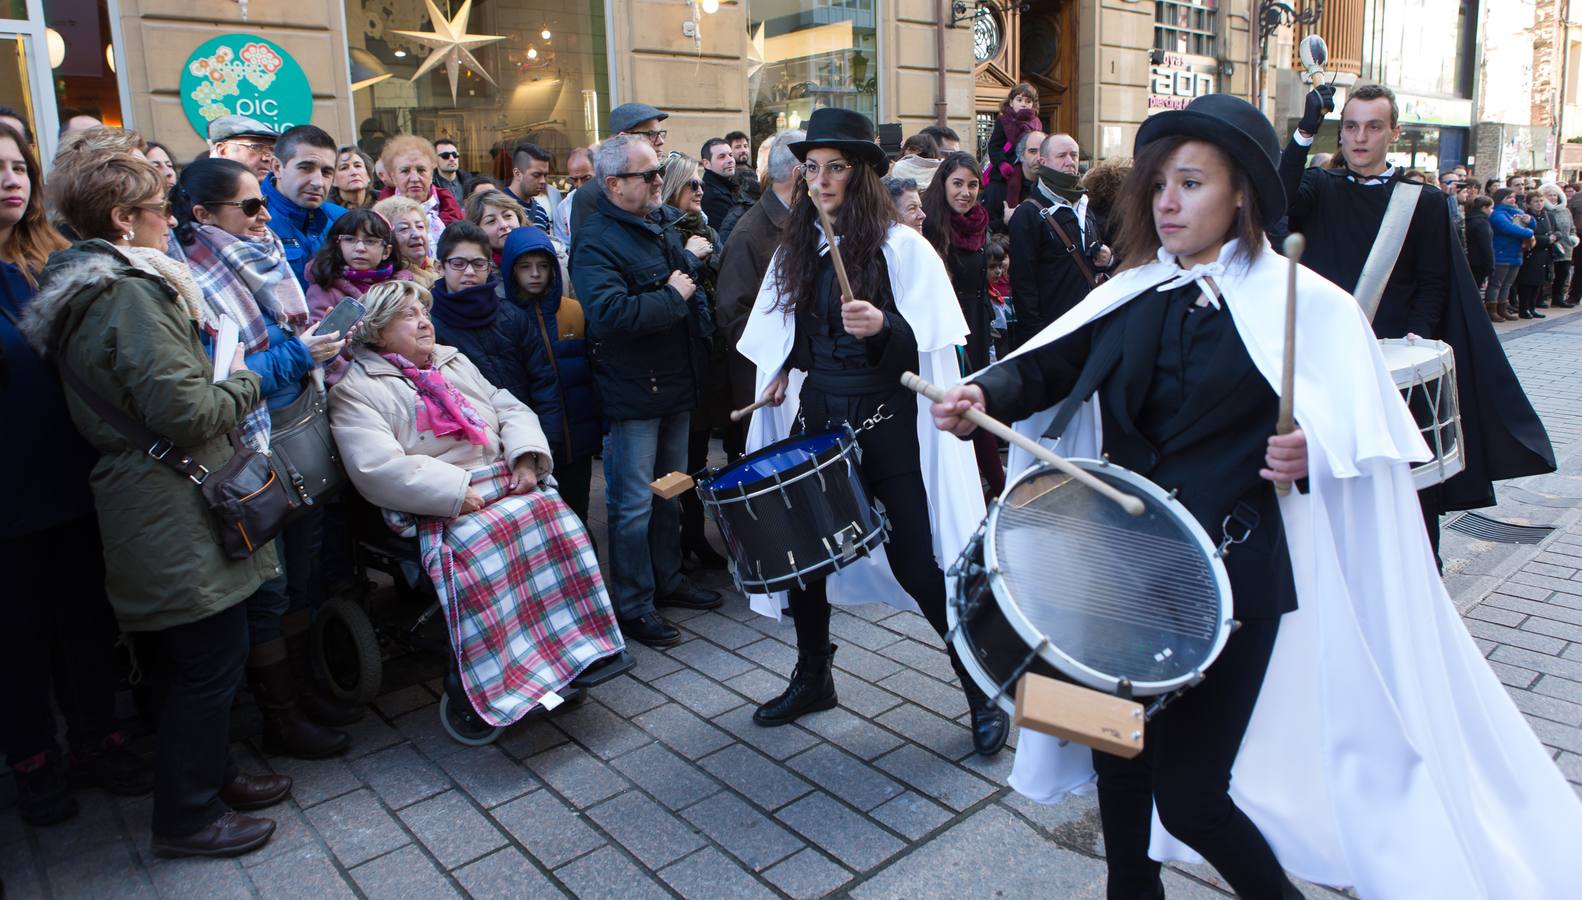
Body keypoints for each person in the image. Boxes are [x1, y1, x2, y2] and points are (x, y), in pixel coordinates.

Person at [931, 91, 1581, 900]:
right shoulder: (1135, 290)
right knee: (1113, 749)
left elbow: (1373, 437)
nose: (1168, 202)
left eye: (1192, 183)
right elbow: (1051, 364)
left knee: (1195, 797)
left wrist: (1313, 447)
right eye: (1159, 184)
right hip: (1118, 562)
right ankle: (1131, 891)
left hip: (1235, 577)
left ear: (1240, 193)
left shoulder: (1307, 305)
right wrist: (981, 396)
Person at [25, 151, 289, 858]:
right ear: (122, 218)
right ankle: (188, 817)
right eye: (158, 206)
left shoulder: (93, 286)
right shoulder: (129, 292)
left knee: (190, 659)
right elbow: (184, 409)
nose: (169, 219)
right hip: (168, 497)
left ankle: (215, 776)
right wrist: (245, 380)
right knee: (207, 659)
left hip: (155, 494)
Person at [736, 108, 1002, 755]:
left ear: (861, 178)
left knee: (917, 561)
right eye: (813, 169)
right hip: (820, 414)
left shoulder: (901, 248)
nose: (820, 181)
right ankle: (814, 676)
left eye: (835, 170)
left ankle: (980, 687)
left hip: (886, 421)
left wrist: (884, 328)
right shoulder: (798, 248)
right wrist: (781, 371)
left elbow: (926, 356)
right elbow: (796, 337)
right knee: (803, 555)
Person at [327, 280, 627, 738]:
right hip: (433, 501)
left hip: (494, 479)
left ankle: (570, 649)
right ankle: (498, 676)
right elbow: (377, 467)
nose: (425, 321)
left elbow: (509, 408)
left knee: (557, 518)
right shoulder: (357, 389)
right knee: (486, 544)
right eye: (409, 316)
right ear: (378, 332)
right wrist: (454, 490)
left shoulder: (451, 360)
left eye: (423, 312)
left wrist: (525, 454)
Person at [1284, 82, 1555, 560]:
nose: (1359, 137)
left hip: (1393, 367)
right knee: (1328, 482)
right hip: (1323, 362)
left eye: (1372, 127)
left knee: (1405, 488)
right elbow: (1275, 201)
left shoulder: (1422, 201)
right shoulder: (1318, 187)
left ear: (1394, 132)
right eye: (1350, 126)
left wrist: (1414, 346)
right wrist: (1306, 131)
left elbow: (1433, 282)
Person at [171, 158, 353, 760]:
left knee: (300, 574)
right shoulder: (191, 281)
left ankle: (301, 689)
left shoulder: (265, 258)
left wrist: (310, 347)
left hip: (296, 434)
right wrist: (300, 354)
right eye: (249, 207)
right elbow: (227, 381)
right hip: (250, 451)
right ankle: (281, 715)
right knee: (270, 589)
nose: (263, 216)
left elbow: (281, 338)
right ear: (203, 215)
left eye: (262, 203)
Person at [0, 124, 149, 827]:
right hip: (8, 495)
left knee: (86, 624)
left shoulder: (56, 260)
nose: (10, 179)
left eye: (17, 166)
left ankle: (99, 742)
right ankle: (35, 764)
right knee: (17, 640)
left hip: (75, 477)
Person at [569, 134, 722, 648]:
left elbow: (685, 288)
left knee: (671, 486)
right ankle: (634, 604)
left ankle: (669, 579)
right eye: (649, 174)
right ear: (613, 184)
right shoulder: (595, 242)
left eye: (658, 172)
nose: (660, 181)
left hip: (675, 386)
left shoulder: (655, 226)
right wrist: (672, 295)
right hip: (634, 395)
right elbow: (609, 317)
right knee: (633, 502)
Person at [426, 220, 562, 463]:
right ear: (439, 266)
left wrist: (547, 442)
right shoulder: (430, 325)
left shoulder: (511, 316)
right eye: (458, 263)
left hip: (527, 438)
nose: (469, 272)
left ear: (489, 267)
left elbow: (543, 381)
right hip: (469, 450)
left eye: (478, 263)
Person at [501, 225, 603, 523]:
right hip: (536, 440)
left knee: (578, 511)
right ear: (511, 270)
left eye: (543, 266)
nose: (535, 274)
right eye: (525, 267)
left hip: (578, 437)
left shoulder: (573, 311)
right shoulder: (507, 317)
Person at [715, 129, 803, 457]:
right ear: (799, 173)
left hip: (793, 376)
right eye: (814, 167)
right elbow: (732, 313)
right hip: (767, 382)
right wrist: (776, 361)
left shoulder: (798, 219)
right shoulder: (750, 233)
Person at [921, 151, 1004, 500]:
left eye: (972, 185)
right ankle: (996, 486)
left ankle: (989, 487)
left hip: (977, 325)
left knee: (976, 402)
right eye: (958, 184)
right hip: (948, 332)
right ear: (943, 185)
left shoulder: (980, 222)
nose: (965, 193)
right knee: (964, 408)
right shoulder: (929, 228)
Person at [662, 152, 729, 568]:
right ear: (673, 189)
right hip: (679, 357)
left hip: (709, 354)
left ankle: (695, 534)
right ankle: (675, 541)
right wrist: (690, 254)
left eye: (702, 183)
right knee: (675, 461)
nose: (700, 190)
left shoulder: (707, 229)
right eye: (692, 184)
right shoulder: (667, 231)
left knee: (699, 453)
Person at [1006, 133, 1110, 348]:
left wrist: (1108, 258)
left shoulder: (1086, 207)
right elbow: (1023, 285)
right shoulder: (1027, 215)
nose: (1070, 162)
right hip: (1052, 336)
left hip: (1090, 327)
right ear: (1043, 162)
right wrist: (1036, 339)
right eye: (1061, 155)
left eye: (1074, 155)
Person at [567, 102, 670, 238]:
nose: (660, 141)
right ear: (623, 138)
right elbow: (586, 247)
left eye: (660, 133)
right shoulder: (589, 195)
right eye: (651, 134)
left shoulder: (661, 178)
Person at [262, 125, 346, 289]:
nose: (318, 182)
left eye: (326, 172)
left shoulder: (342, 220)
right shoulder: (249, 219)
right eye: (306, 168)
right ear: (277, 167)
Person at [305, 207, 412, 323]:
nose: (360, 248)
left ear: (386, 251)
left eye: (370, 241)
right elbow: (322, 338)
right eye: (350, 239)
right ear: (338, 245)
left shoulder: (404, 286)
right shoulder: (324, 289)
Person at [379, 135, 465, 253]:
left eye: (421, 170)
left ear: (431, 174)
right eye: (405, 171)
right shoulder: (381, 216)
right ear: (393, 177)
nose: (414, 178)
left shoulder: (451, 207)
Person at [983, 84, 1045, 235]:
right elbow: (994, 146)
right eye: (1019, 99)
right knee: (1014, 184)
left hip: (1025, 167)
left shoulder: (1036, 122)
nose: (1024, 104)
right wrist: (1002, 163)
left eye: (1028, 101)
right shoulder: (1004, 120)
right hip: (1008, 166)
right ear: (1011, 102)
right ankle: (1011, 213)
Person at [375, 195, 441, 289]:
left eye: (420, 226)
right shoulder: (393, 284)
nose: (416, 234)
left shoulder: (439, 268)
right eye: (404, 228)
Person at [1487, 188, 1529, 322]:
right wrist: (1528, 232)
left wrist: (1530, 221)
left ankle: (1502, 309)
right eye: (1508, 197)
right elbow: (1509, 229)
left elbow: (1531, 225)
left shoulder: (1518, 212)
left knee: (1507, 284)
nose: (1512, 199)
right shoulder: (1498, 214)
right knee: (1496, 284)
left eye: (1513, 197)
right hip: (1501, 254)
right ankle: (1492, 309)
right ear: (1500, 199)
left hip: (1515, 254)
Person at [1514, 191, 1557, 320]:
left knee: (1538, 282)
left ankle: (1532, 307)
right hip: (1531, 253)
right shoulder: (1526, 217)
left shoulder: (1548, 216)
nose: (1539, 204)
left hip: (1545, 253)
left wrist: (1555, 237)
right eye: (1536, 201)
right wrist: (1546, 239)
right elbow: (1528, 236)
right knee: (1527, 282)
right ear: (1528, 204)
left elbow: (1555, 231)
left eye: (1541, 201)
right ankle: (1524, 308)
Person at [701, 137, 750, 242]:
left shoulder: (727, 186)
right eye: (722, 157)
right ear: (706, 164)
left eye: (731, 155)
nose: (730, 160)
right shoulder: (712, 196)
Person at [1540, 182, 1578, 308]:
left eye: (1555, 195)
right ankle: (1540, 298)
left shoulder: (1565, 210)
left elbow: (1572, 227)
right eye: (1549, 195)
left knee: (1563, 274)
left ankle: (1558, 298)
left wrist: (1573, 237)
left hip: (1566, 247)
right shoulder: (1543, 210)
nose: (1553, 198)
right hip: (1550, 246)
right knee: (1547, 275)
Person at [465, 188, 527, 264]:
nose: (503, 225)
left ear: (519, 217)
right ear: (476, 229)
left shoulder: (542, 250)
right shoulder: (474, 270)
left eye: (507, 216)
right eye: (491, 221)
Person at [208, 115, 277, 181]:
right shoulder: (201, 189)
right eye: (256, 147)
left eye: (271, 150)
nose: (268, 158)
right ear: (223, 151)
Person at [505, 141, 553, 232]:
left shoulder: (541, 212)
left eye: (545, 175)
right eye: (536, 175)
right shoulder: (498, 207)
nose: (543, 181)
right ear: (517, 173)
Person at [554, 146, 594, 247]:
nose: (580, 185)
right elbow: (564, 247)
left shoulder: (614, 199)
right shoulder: (563, 208)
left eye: (586, 178)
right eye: (575, 180)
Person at [1464, 195, 1494, 292]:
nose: (1491, 211)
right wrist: (1490, 266)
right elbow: (1486, 246)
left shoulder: (1469, 220)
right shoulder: (1482, 223)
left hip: (1470, 260)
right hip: (1479, 263)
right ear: (1484, 208)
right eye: (1490, 208)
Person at [725, 130, 761, 202]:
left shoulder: (747, 168)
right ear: (729, 150)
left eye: (745, 146)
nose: (743, 150)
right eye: (738, 147)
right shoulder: (738, 172)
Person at [434, 137, 469, 203]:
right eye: (445, 155)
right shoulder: (430, 186)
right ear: (435, 159)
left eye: (454, 155)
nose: (452, 158)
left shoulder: (469, 182)